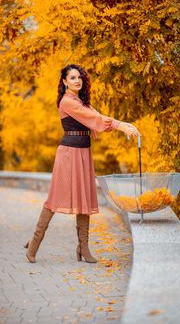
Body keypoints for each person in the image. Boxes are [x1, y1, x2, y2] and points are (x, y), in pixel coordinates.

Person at [25, 64, 140, 264]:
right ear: (64, 82)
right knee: (55, 198)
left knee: (84, 200)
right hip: (68, 154)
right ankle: (34, 244)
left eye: (79, 77)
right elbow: (94, 118)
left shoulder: (80, 101)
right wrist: (120, 126)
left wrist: (123, 124)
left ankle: (83, 248)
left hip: (84, 153)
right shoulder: (67, 102)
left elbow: (97, 118)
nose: (77, 80)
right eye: (72, 78)